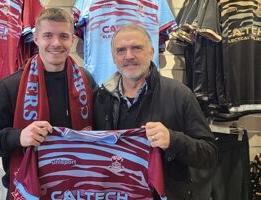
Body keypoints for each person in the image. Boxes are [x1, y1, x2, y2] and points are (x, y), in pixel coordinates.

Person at [0, 8, 98, 199]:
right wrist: (19, 137)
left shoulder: (86, 81)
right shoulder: (10, 86)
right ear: (36, 38)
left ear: (72, 39)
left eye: (63, 36)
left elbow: (104, 129)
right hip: (27, 190)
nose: (56, 43)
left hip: (79, 188)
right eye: (48, 35)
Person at [93, 24, 218, 200]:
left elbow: (209, 154)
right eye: (121, 50)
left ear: (151, 52)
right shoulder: (100, 97)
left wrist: (173, 140)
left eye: (137, 48)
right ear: (114, 57)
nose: (129, 56)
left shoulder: (179, 94)